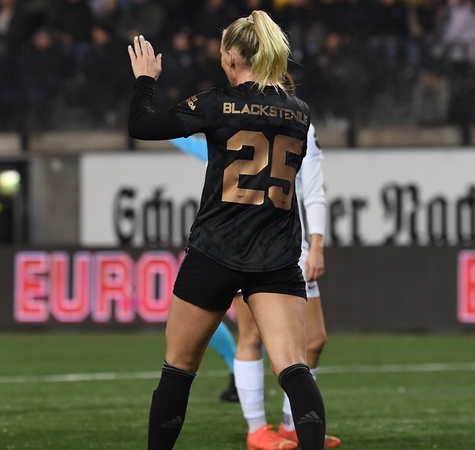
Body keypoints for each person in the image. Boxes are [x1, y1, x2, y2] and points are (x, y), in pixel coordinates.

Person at [127, 11, 327, 450]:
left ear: (233, 55)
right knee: (294, 367)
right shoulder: (299, 113)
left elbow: (140, 125)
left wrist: (145, 80)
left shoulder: (218, 103)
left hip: (215, 253)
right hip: (275, 258)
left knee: (178, 368)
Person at [170, 120, 341, 449]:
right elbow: (203, 150)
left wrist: (316, 244)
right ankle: (257, 429)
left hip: (290, 246)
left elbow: (314, 187)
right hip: (243, 244)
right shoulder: (236, 117)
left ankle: (291, 425)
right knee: (250, 335)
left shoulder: (300, 124)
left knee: (313, 340)